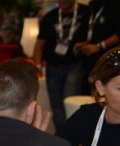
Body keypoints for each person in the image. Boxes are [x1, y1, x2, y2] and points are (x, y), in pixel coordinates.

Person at [34, 0, 89, 131]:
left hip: (74, 65)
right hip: (53, 66)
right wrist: (37, 65)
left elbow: (95, 37)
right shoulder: (50, 17)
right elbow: (40, 44)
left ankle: (72, 134)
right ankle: (62, 134)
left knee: (69, 100)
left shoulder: (86, 13)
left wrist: (85, 45)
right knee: (56, 106)